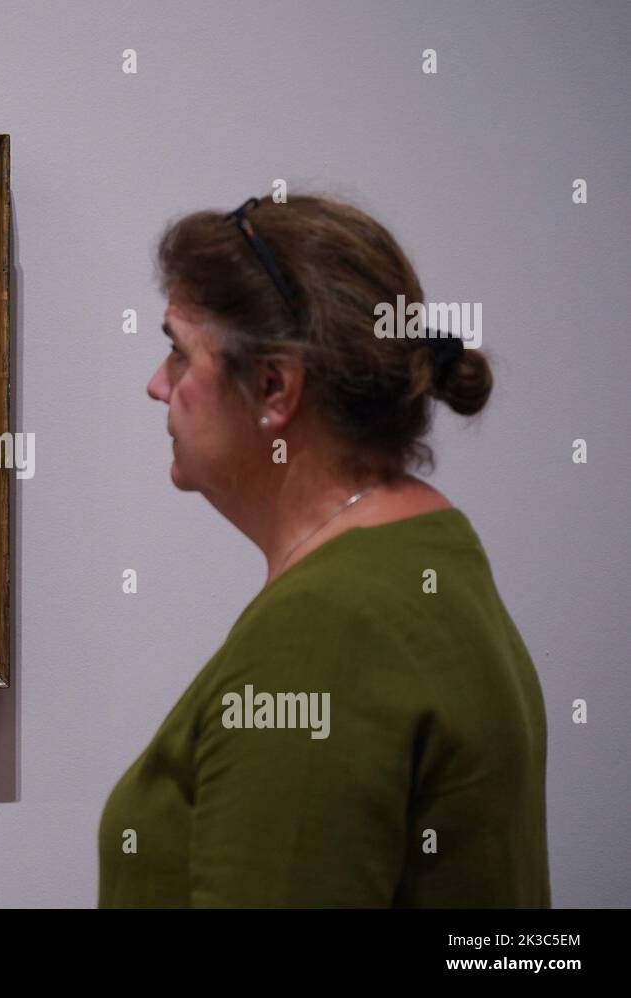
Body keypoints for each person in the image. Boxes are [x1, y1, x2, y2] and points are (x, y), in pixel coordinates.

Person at [98, 193, 550, 907]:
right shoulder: (429, 548)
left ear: (274, 388)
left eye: (180, 353)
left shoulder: (330, 627)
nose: (157, 385)